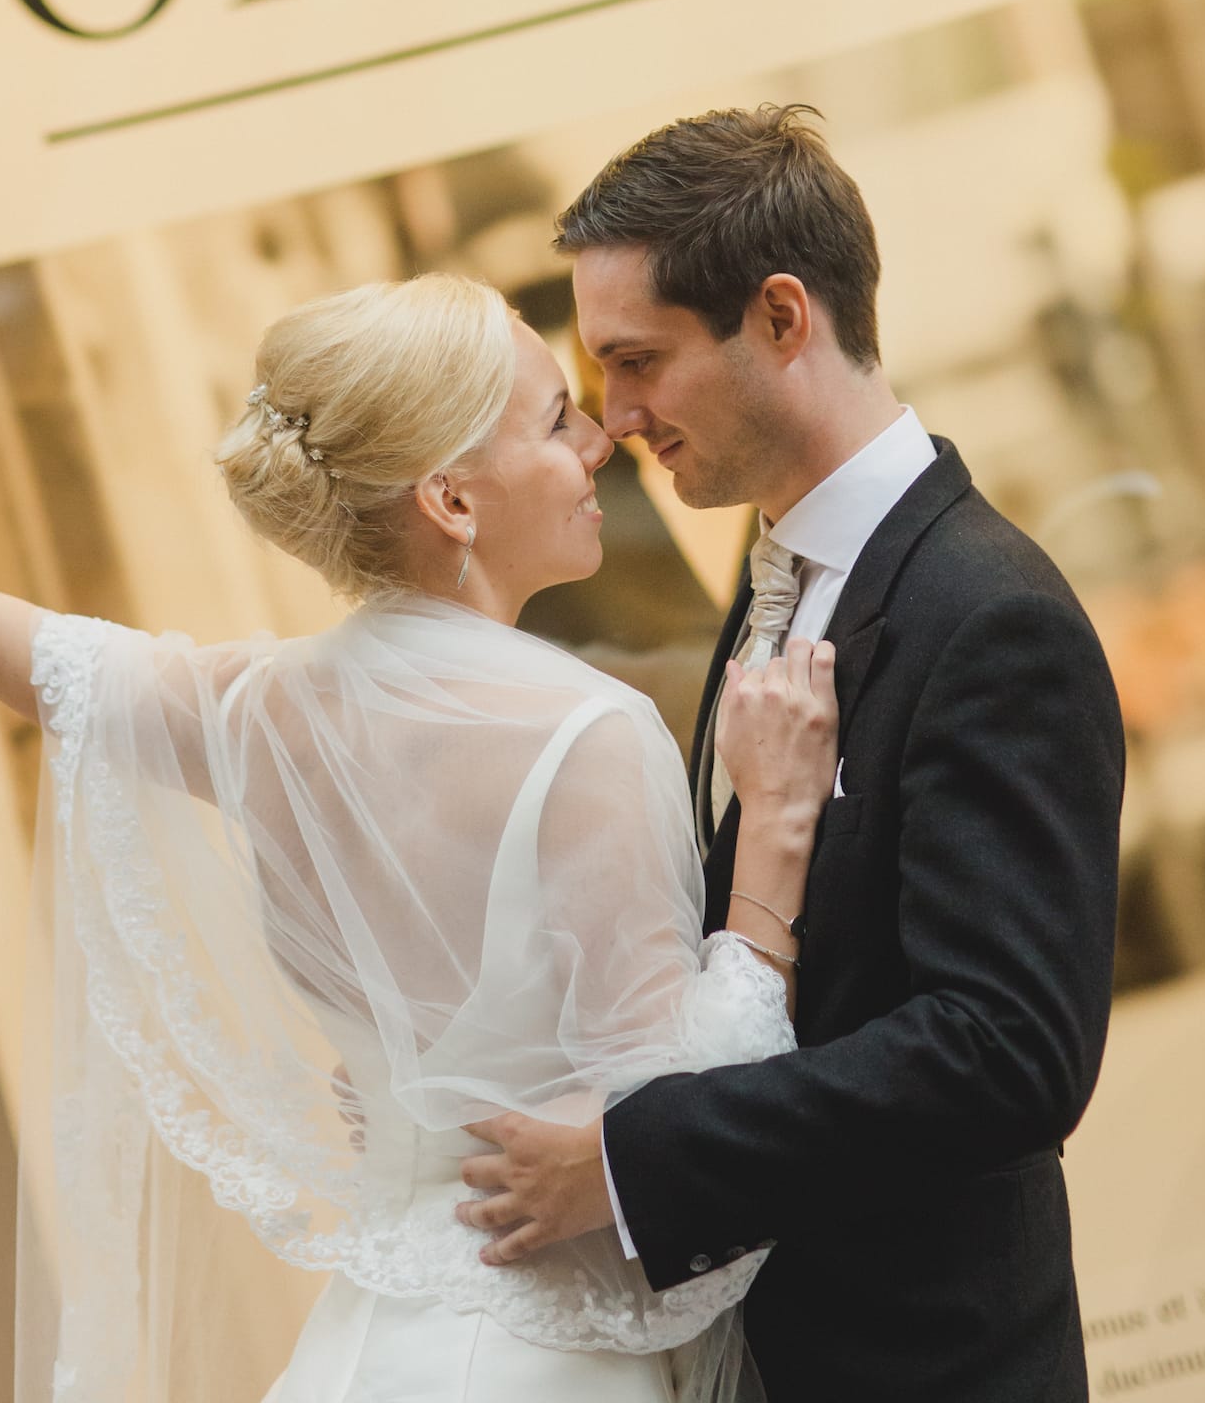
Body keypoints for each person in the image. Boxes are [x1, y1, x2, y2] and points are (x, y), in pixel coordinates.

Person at [0, 232, 836, 1403]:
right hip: (536, 1364)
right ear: (450, 498)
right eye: (556, 422)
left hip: (365, 1347)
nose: (598, 444)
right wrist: (773, 842)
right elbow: (681, 1112)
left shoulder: (253, 714)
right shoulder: (590, 733)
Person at [456, 107, 1126, 1403]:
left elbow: (1007, 1051)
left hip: (929, 1365)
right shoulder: (778, 575)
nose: (615, 417)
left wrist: (629, 1161)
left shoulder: (991, 617)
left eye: (638, 362)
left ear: (778, 317)